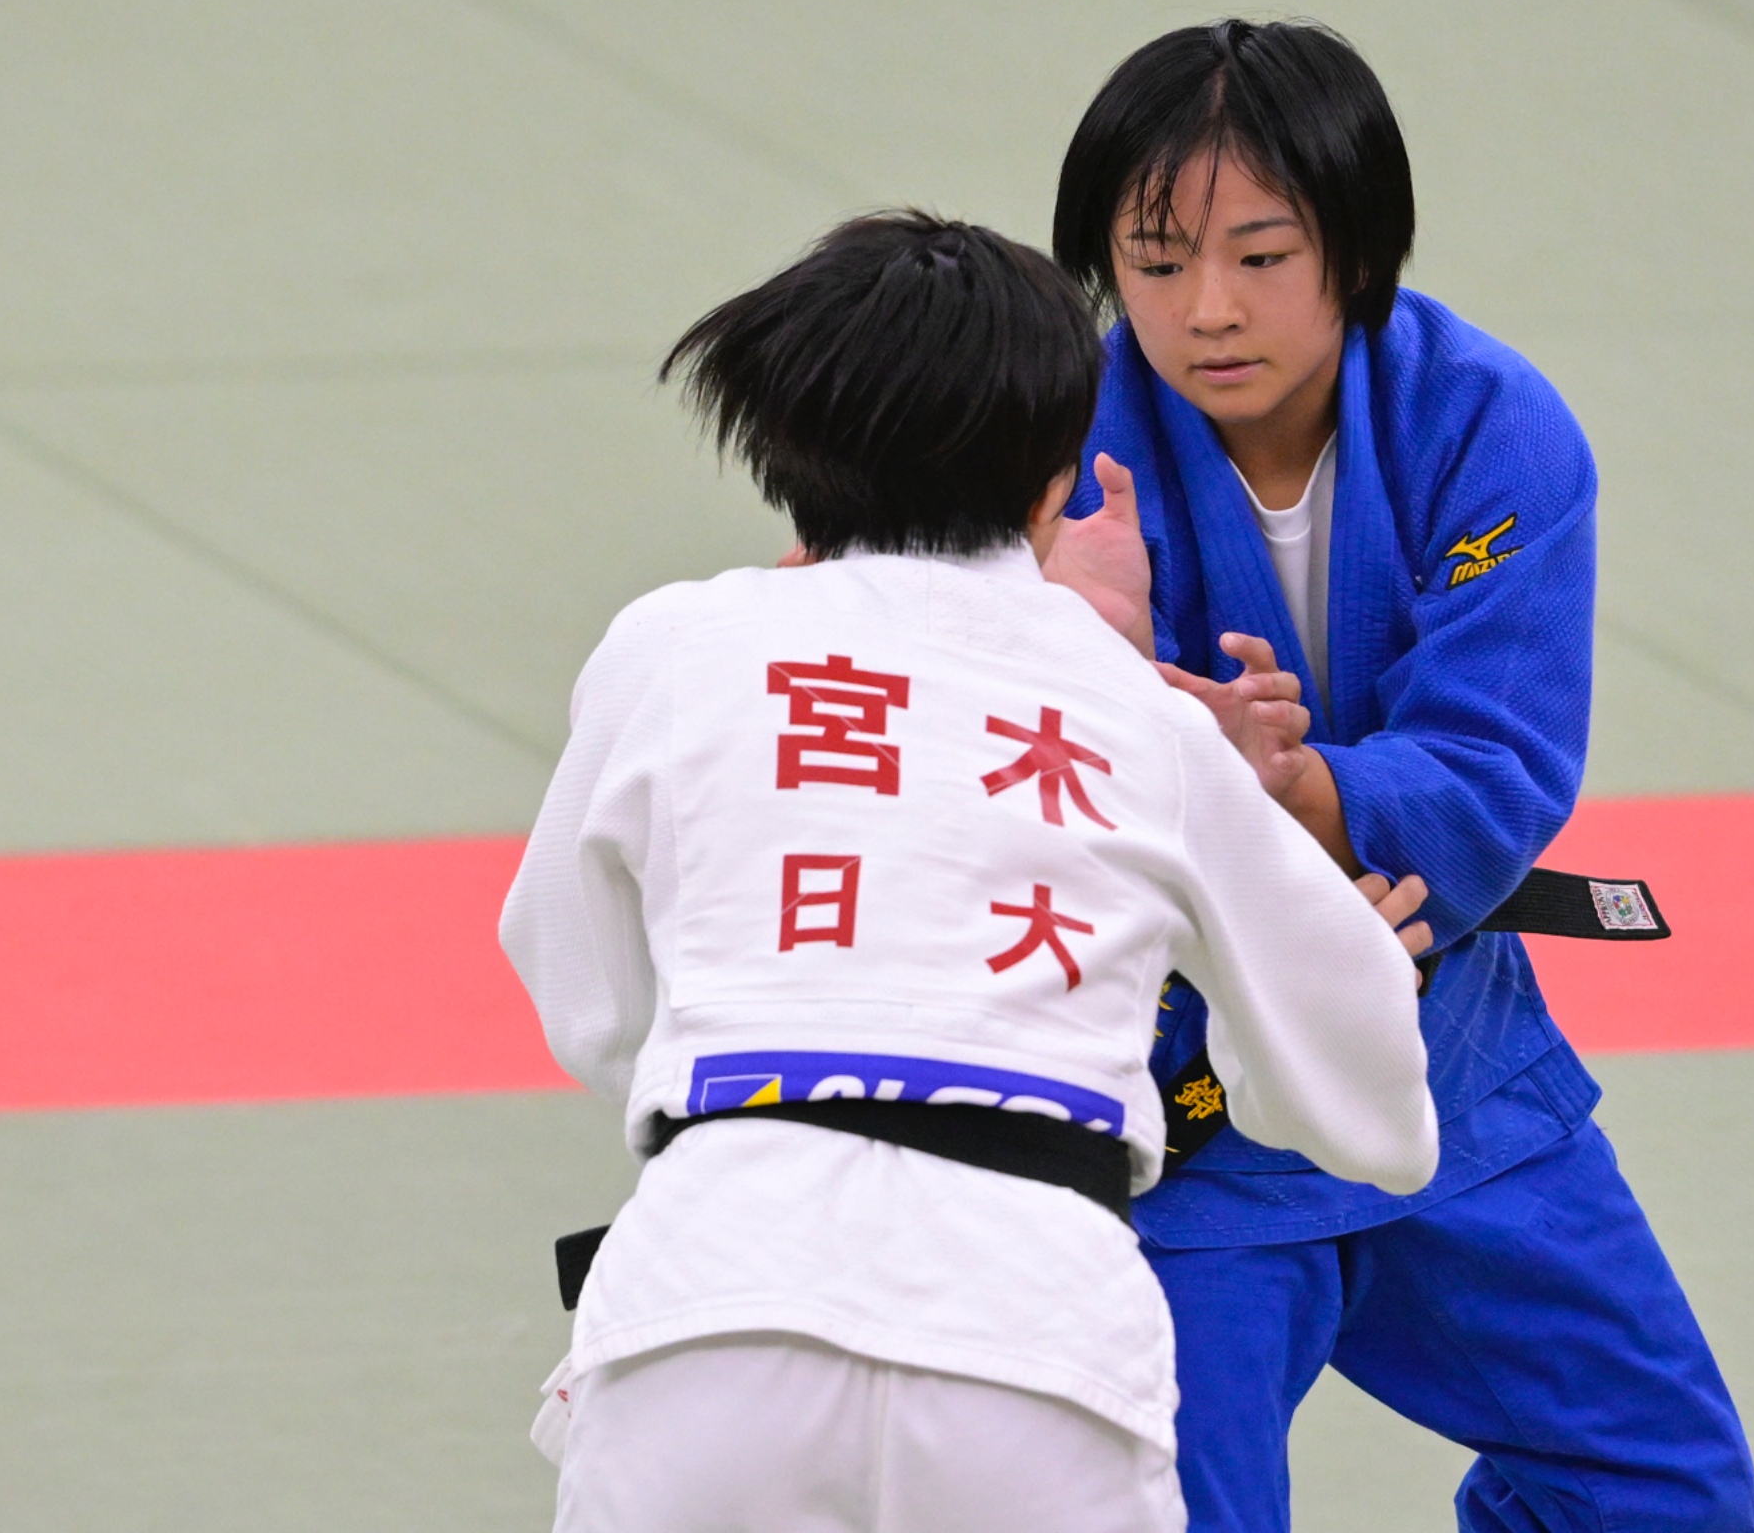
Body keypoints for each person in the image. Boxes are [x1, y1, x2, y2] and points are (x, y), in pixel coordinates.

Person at [499, 211, 1442, 1533]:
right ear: (1058, 476)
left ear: (775, 453)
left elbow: (581, 990)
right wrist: (1288, 1039)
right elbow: (1373, 1111)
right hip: (1038, 1343)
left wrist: (753, 1057)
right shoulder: (1141, 717)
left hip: (710, 1308)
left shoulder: (670, 647)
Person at [1045, 22, 1754, 1532]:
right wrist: (1209, 794)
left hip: (1443, 1051)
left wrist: (1285, 791)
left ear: (1356, 248)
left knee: (1659, 1490)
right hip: (1174, 1108)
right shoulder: (1042, 452)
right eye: (1155, 262)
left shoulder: (1485, 425)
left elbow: (1494, 769)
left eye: (1260, 256)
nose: (1206, 308)